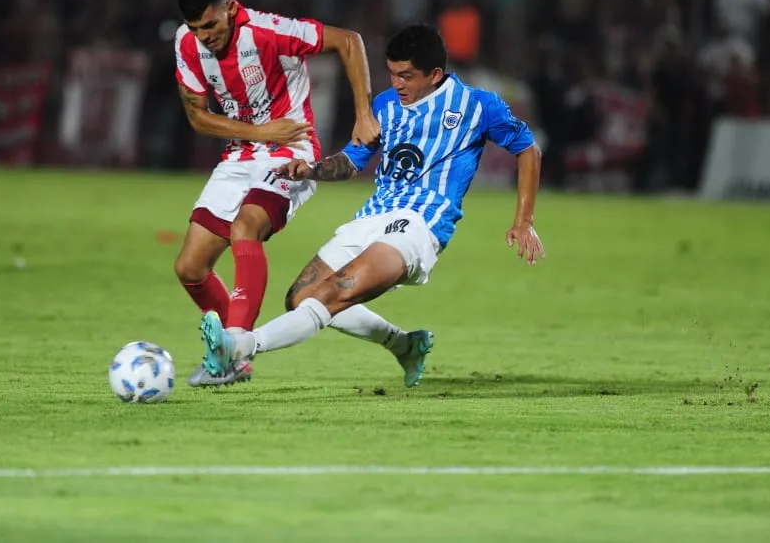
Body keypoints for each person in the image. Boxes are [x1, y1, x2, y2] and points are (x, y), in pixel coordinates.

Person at [196, 24, 545, 386]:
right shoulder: (384, 105)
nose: (397, 84)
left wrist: (524, 220)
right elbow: (351, 161)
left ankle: (238, 347)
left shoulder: (478, 105)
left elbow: (528, 148)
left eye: (406, 76)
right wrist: (311, 169)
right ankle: (405, 346)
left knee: (333, 293)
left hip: (420, 224)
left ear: (435, 75)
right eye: (392, 73)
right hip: (372, 216)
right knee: (301, 298)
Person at [173, 0, 381, 387]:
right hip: (241, 154)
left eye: (210, 24)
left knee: (245, 228)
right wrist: (258, 133)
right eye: (196, 28)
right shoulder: (187, 44)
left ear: (230, 8)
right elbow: (197, 117)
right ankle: (236, 352)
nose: (204, 35)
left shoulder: (269, 31)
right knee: (190, 267)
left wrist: (364, 112)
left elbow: (348, 40)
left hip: (292, 152)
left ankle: (232, 349)